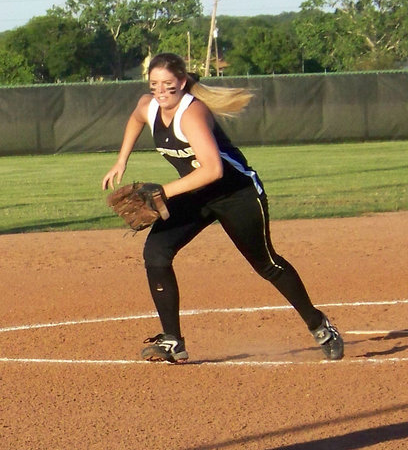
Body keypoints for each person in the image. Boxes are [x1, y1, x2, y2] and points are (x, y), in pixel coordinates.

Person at [101, 52, 343, 363]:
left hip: (236, 193)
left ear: (183, 82)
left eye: (169, 85)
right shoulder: (148, 105)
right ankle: (173, 341)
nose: (161, 91)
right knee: (156, 253)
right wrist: (122, 159)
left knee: (266, 264)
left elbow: (214, 169)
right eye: (155, 84)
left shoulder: (192, 114)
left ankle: (319, 325)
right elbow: (136, 119)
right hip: (194, 192)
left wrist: (163, 191)